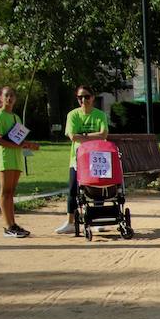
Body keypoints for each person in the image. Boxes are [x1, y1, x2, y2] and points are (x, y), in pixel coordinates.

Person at [55, 85, 108, 235]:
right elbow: (72, 136)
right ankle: (70, 221)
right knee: (72, 189)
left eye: (86, 96)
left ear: (93, 97)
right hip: (78, 158)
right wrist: (92, 135)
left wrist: (83, 136)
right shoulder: (72, 115)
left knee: (98, 189)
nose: (83, 100)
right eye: (80, 97)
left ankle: (97, 219)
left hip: (96, 157)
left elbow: (103, 134)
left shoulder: (99, 115)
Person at [0, 86, 40, 237]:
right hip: (5, 157)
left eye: (12, 95)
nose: (9, 98)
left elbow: (19, 139)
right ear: (1, 98)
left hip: (16, 158)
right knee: (5, 191)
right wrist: (19, 145)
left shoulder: (15, 117)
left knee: (11, 192)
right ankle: (7, 226)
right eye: (6, 95)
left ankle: (13, 223)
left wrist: (29, 145)